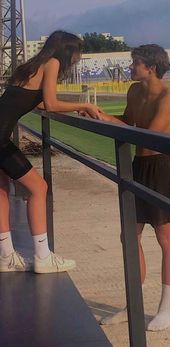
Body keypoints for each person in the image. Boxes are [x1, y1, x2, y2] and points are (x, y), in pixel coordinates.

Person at [85, 44, 170, 331]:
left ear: (150, 67)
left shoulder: (168, 97)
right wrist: (100, 115)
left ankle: (167, 308)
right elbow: (127, 122)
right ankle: (133, 305)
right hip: (137, 167)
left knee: (166, 238)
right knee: (129, 236)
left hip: (161, 168)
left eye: (134, 63)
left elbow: (149, 138)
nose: (130, 67)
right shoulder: (133, 91)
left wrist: (112, 123)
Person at [0, 30, 102, 274]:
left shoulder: (33, 66)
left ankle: (6, 257)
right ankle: (43, 256)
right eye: (77, 50)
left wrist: (73, 108)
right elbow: (53, 104)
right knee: (39, 188)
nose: (78, 56)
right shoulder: (53, 63)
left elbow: (41, 102)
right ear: (67, 50)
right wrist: (84, 104)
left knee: (2, 190)